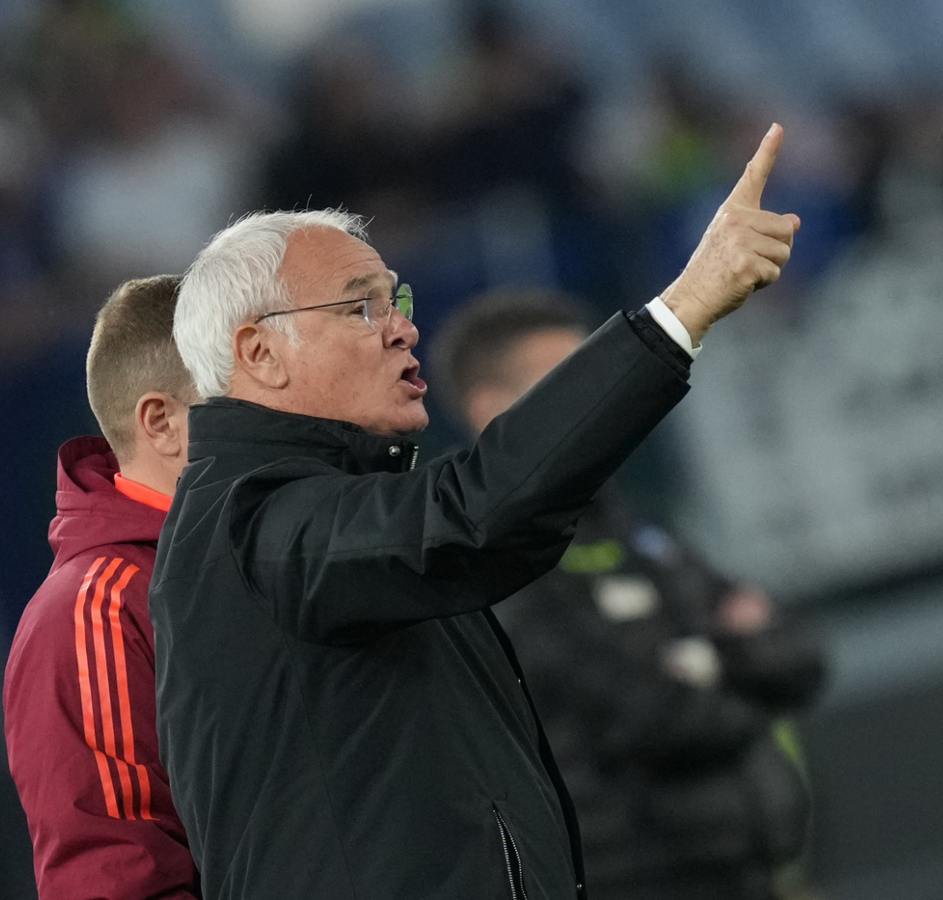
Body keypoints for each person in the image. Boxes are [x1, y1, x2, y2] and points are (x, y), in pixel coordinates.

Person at [153, 123, 800, 899]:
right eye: (360, 308)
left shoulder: (325, 510)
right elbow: (471, 519)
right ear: (260, 353)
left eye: (395, 300)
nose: (403, 327)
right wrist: (684, 307)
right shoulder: (252, 522)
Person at [432, 288, 824, 899]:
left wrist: (708, 668)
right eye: (570, 381)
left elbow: (798, 656)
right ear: (491, 409)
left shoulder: (633, 524)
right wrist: (741, 673)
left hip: (755, 873)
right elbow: (654, 716)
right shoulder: (492, 566)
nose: (601, 399)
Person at [4, 275, 200, 898]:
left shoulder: (261, 560)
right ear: (161, 422)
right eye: (242, 403)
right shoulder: (97, 608)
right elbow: (117, 878)